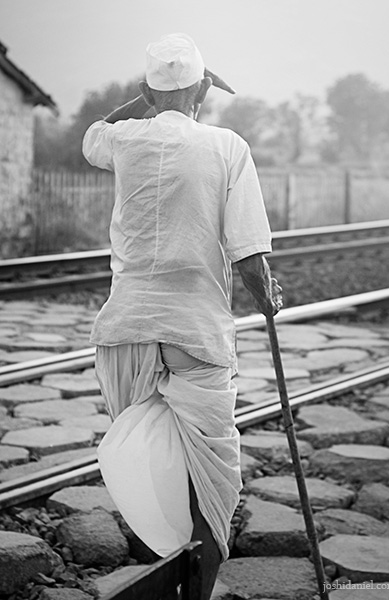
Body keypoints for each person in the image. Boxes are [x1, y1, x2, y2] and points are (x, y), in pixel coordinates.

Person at [82, 33, 282, 600]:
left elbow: (92, 132)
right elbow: (248, 254)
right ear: (203, 88)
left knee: (150, 464)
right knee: (212, 485)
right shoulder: (227, 146)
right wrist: (267, 297)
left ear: (148, 91)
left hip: (123, 335)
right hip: (193, 332)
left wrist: (142, 99)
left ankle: (159, 580)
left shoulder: (121, 140)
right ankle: (193, 594)